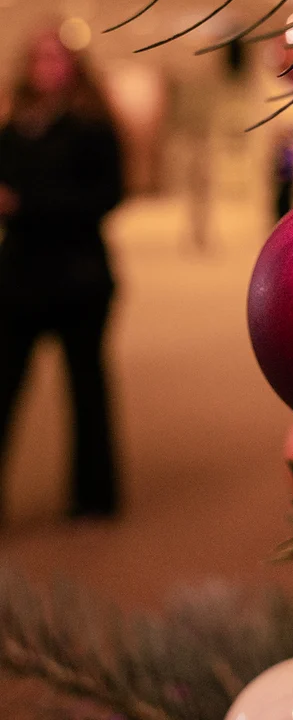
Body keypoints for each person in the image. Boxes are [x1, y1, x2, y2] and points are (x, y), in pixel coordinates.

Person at [0, 27, 124, 519]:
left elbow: (108, 197)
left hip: (80, 276)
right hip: (18, 276)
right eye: (39, 58)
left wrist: (27, 204)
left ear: (74, 66)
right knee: (4, 387)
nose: (47, 67)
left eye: (56, 58)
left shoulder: (92, 126)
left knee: (87, 390)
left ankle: (94, 497)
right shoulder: (12, 127)